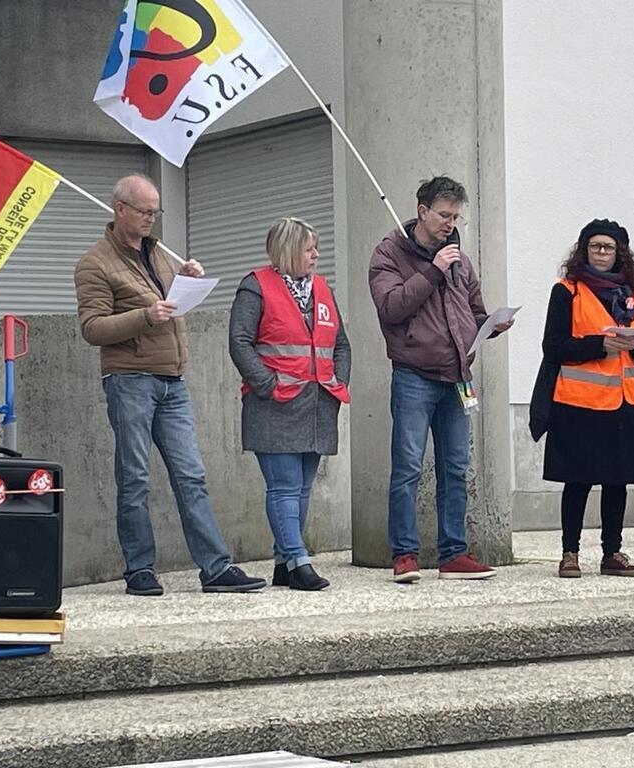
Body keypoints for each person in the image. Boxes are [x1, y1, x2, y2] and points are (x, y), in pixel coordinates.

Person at [74, 174, 266, 596]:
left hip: (171, 379)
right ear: (120, 209)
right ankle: (139, 569)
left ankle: (215, 568)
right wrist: (146, 315)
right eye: (144, 211)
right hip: (129, 380)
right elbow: (92, 328)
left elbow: (168, 299)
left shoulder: (157, 252)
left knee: (191, 474)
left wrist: (186, 277)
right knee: (135, 475)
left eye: (155, 211)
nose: (151, 219)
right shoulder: (95, 263)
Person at [369, 176, 514, 583]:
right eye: (444, 215)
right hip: (414, 374)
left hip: (457, 377)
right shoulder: (388, 253)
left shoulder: (460, 260)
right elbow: (391, 308)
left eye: (456, 217)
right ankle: (405, 554)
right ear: (422, 212)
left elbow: (473, 310)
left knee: (456, 467)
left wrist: (492, 325)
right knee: (408, 467)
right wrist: (432, 271)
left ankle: (453, 554)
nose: (451, 223)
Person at [229, 217, 351, 591]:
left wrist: (340, 380)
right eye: (309, 247)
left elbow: (341, 343)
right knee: (283, 487)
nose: (317, 254)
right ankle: (298, 561)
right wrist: (265, 383)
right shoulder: (256, 287)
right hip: (275, 404)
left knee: (301, 489)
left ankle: (285, 562)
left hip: (317, 404)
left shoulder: (321, 289)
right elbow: (239, 341)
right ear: (288, 250)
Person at [529, 219, 634, 578]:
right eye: (594, 246)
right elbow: (553, 346)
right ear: (583, 250)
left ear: (621, 254)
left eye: (608, 247)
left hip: (626, 401)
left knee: (618, 480)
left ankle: (612, 552)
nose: (601, 253)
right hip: (579, 402)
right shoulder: (567, 290)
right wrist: (599, 344)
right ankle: (570, 553)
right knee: (578, 480)